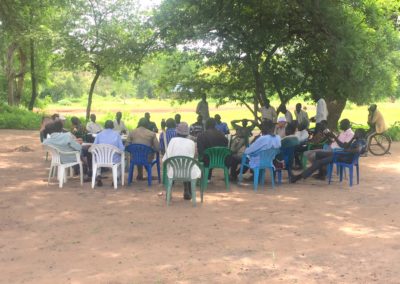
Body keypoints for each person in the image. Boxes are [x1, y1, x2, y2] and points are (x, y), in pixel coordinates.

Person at [291, 129, 366, 182]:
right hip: (340, 154)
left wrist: (347, 150)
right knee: (319, 154)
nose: (355, 134)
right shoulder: (360, 141)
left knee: (319, 162)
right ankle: (322, 173)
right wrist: (352, 138)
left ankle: (299, 177)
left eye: (356, 133)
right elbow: (346, 146)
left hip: (342, 157)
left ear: (360, 134)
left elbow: (358, 150)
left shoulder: (360, 142)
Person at [163, 122, 201, 200]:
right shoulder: (192, 143)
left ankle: (169, 192)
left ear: (177, 132)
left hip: (174, 171)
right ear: (187, 133)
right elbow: (194, 157)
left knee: (171, 166)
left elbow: (166, 158)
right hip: (188, 172)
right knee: (189, 166)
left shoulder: (173, 141)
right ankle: (188, 191)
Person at [93, 120, 125, 186]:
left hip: (101, 159)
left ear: (104, 126)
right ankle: (116, 177)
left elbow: (94, 147)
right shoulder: (117, 135)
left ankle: (98, 174)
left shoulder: (99, 135)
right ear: (113, 126)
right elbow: (121, 149)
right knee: (122, 160)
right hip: (113, 159)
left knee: (97, 157)